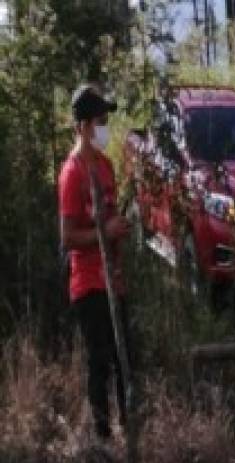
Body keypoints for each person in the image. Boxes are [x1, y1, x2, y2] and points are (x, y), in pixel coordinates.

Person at [58, 83, 131, 441]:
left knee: (124, 357)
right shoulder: (72, 173)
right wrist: (104, 232)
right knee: (99, 361)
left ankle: (131, 432)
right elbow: (68, 238)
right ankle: (102, 439)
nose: (105, 128)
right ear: (84, 126)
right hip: (87, 281)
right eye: (101, 120)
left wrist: (118, 235)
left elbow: (112, 219)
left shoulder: (105, 166)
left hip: (112, 278)